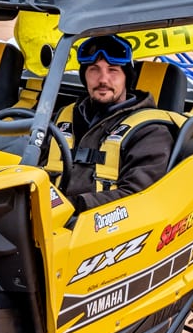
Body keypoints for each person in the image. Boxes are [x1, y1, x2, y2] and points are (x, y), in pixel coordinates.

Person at [58, 34, 173, 211]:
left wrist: (71, 207)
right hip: (42, 218)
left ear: (127, 77)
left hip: (101, 228)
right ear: (84, 76)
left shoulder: (151, 131)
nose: (103, 79)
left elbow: (138, 196)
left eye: (113, 70)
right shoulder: (63, 117)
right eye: (94, 69)